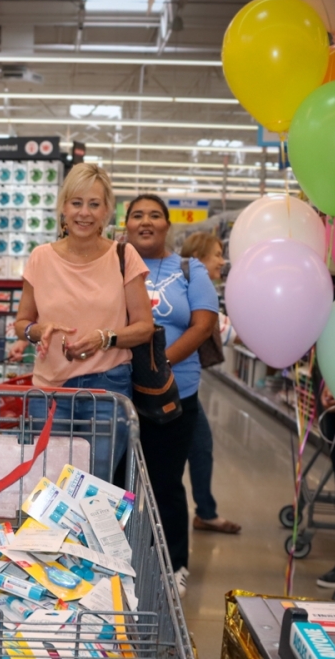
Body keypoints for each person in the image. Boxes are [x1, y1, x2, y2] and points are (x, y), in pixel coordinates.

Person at [14, 164, 154, 480]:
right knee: (48, 485)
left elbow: (144, 327)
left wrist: (106, 338)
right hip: (50, 390)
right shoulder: (41, 257)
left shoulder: (124, 255)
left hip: (108, 387)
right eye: (76, 203)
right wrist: (37, 331)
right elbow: (22, 321)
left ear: (107, 211)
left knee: (95, 486)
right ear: (63, 207)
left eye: (94, 204)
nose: (84, 213)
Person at [125, 195, 221, 599]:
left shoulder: (189, 269)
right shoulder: (115, 266)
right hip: (122, 393)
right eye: (137, 215)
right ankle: (124, 559)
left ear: (167, 225)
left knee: (165, 483)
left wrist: (157, 364)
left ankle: (174, 563)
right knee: (121, 483)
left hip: (175, 395)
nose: (146, 222)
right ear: (126, 224)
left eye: (155, 215)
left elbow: (202, 326)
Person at [178, 232, 241, 535]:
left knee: (201, 447)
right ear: (200, 258)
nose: (222, 260)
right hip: (173, 389)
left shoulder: (197, 293)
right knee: (192, 450)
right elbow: (223, 329)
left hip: (183, 389)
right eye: (217, 254)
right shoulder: (189, 292)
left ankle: (205, 512)